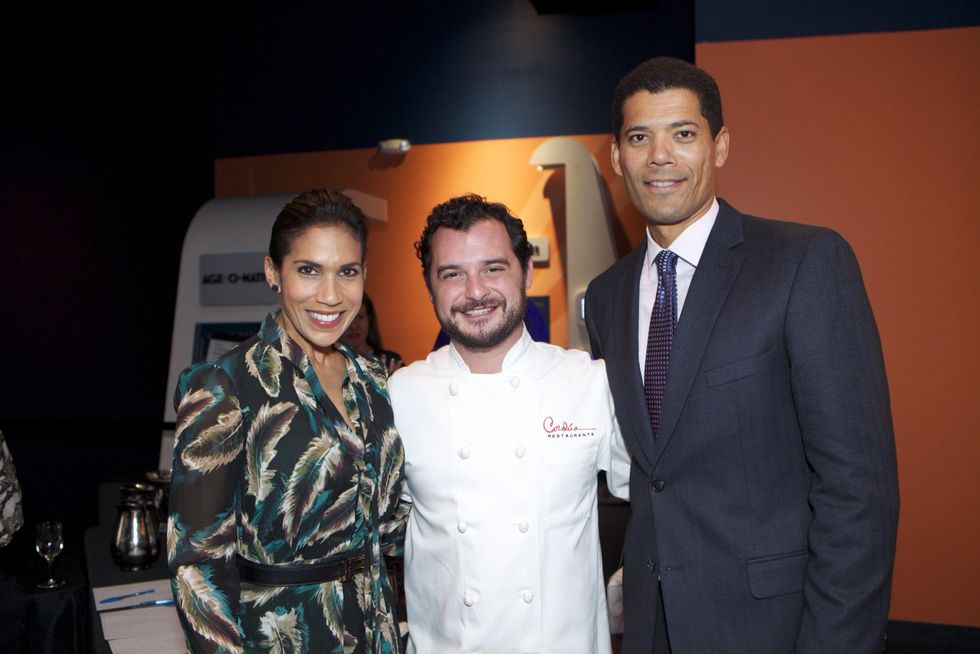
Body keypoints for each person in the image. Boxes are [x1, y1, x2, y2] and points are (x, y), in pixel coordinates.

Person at [585, 57, 900, 653]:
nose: (660, 156)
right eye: (639, 137)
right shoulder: (606, 296)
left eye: (683, 134)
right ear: (615, 156)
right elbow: (651, 475)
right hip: (655, 629)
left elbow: (858, 490)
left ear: (720, 146)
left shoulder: (804, 263)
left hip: (775, 631)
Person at [168, 189, 408, 653]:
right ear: (272, 273)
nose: (331, 295)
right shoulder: (226, 384)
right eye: (309, 270)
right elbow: (197, 568)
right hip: (282, 637)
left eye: (348, 272)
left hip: (375, 631)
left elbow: (395, 522)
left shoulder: (374, 380)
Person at [388, 194, 630, 653]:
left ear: (527, 272)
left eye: (493, 268)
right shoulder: (400, 395)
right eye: (452, 274)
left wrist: (628, 581)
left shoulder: (587, 382)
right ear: (430, 288)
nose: (475, 291)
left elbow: (658, 494)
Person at [341, 294, 405, 374]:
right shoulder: (329, 364)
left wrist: (391, 382)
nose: (354, 326)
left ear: (369, 320)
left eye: (360, 317)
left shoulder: (391, 361)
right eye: (348, 318)